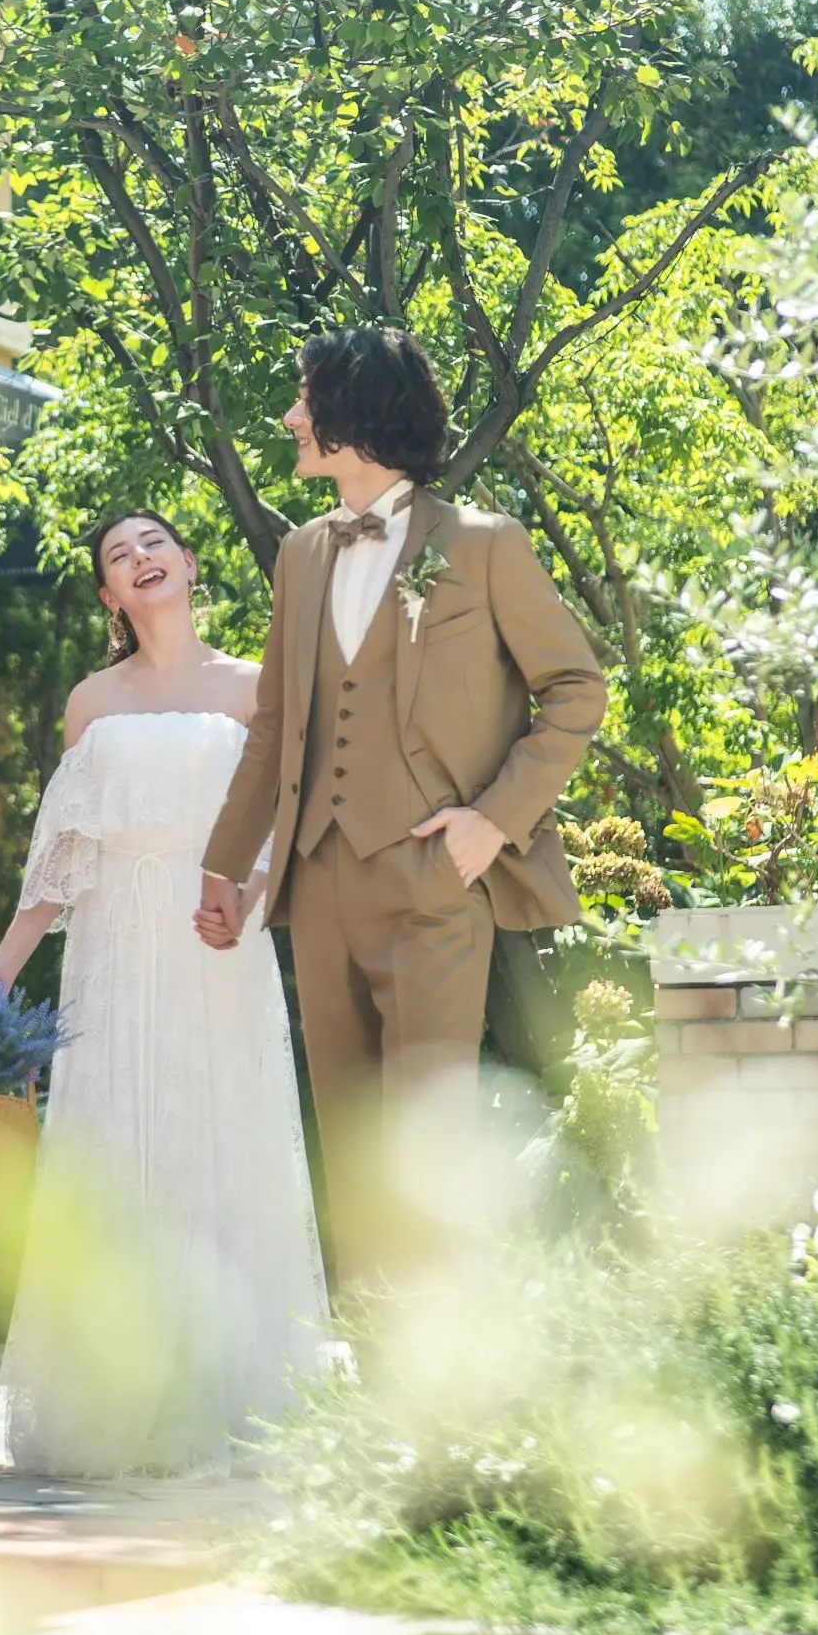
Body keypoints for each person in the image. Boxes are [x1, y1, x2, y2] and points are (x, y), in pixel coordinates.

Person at [195, 327, 606, 1286]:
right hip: (319, 885)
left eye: (306, 402)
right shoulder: (302, 555)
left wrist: (492, 820)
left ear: (357, 417)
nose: (292, 419)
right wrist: (225, 865)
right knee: (351, 1146)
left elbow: (576, 690)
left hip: (435, 881)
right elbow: (274, 726)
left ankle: (445, 1383)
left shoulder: (483, 544)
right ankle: (376, 1386)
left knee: (429, 1135)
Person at [0, 510, 329, 1478]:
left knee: (221, 1134)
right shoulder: (91, 700)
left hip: (216, 935)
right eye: (119, 555)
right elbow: (65, 847)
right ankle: (108, 1393)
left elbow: (284, 820)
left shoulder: (253, 686)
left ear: (189, 562)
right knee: (117, 1145)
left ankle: (232, 1396)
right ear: (108, 595)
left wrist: (250, 898)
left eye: (154, 542)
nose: (142, 557)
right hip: (115, 941)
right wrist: (7, 960)